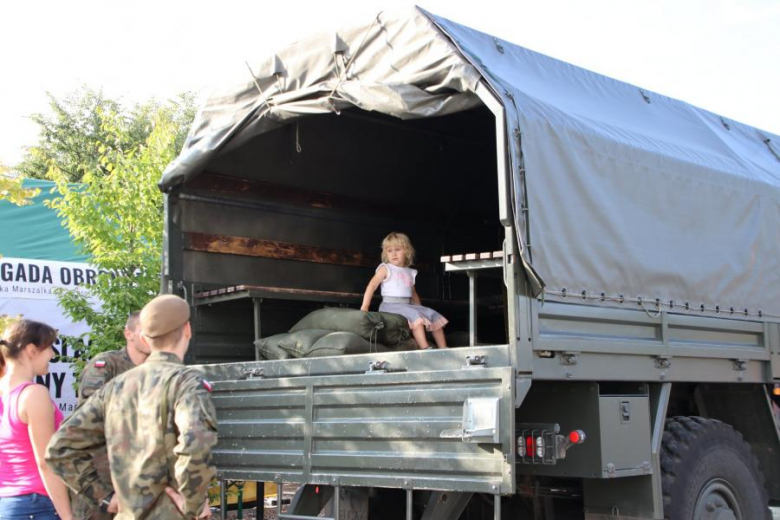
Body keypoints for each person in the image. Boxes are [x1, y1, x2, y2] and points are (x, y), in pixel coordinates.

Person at [46, 295, 218, 519]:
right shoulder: (185, 382)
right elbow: (195, 443)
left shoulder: (116, 386)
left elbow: (60, 448)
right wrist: (193, 504)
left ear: (146, 339)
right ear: (187, 330)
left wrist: (105, 496)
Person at [73, 311, 148, 520]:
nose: (150, 337)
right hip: (102, 480)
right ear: (128, 334)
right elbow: (91, 414)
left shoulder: (160, 370)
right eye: (144, 332)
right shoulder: (107, 364)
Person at [0, 319, 73, 520]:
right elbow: (45, 462)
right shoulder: (33, 394)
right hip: (35, 504)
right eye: (49, 348)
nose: (52, 354)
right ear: (31, 350)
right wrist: (67, 516)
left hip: (7, 504)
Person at [361, 232, 448, 349]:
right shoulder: (385, 268)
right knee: (416, 315)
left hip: (407, 304)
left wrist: (421, 309)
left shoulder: (409, 272)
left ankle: (444, 348)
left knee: (432, 314)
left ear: (407, 251)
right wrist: (365, 306)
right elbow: (371, 286)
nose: (394, 254)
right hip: (390, 305)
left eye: (397, 249)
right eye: (389, 251)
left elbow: (413, 293)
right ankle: (425, 348)